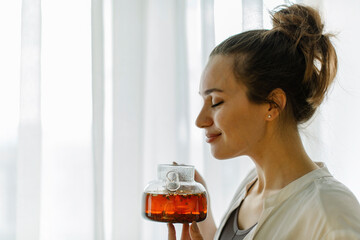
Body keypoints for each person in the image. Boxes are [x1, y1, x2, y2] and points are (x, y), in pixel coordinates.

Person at [168, 3, 360, 240]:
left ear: (272, 104)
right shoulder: (251, 187)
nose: (200, 121)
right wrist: (202, 214)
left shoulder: (331, 213)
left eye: (216, 101)